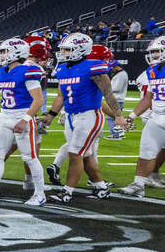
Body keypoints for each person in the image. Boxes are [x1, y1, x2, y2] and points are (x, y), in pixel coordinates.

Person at [40, 33, 123, 202]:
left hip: (89, 116)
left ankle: (67, 192)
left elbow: (108, 93)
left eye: (68, 49)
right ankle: (101, 188)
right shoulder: (63, 69)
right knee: (85, 155)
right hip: (71, 117)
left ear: (81, 49)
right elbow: (60, 96)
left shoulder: (93, 66)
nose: (63, 53)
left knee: (75, 154)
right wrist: (51, 115)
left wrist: (118, 116)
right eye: (63, 49)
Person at [0, 38, 48, 205]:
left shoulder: (28, 71)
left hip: (22, 116)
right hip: (5, 117)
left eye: (4, 52)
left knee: (30, 157)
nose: (1, 55)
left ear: (16, 52)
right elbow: (5, 100)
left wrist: (25, 120)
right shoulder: (2, 72)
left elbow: (38, 100)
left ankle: (40, 194)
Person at [117, 37, 165, 196]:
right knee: (146, 151)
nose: (154, 55)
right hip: (157, 117)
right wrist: (132, 115)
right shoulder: (152, 71)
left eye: (157, 52)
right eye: (152, 52)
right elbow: (148, 98)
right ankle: (138, 185)